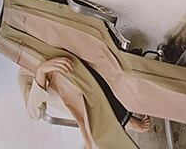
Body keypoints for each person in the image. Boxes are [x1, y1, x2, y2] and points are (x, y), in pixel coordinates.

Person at [17, 56, 152, 135]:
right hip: (80, 100)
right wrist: (41, 72)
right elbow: (34, 113)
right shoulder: (24, 75)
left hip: (86, 73)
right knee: (94, 101)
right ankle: (128, 121)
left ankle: (136, 101)